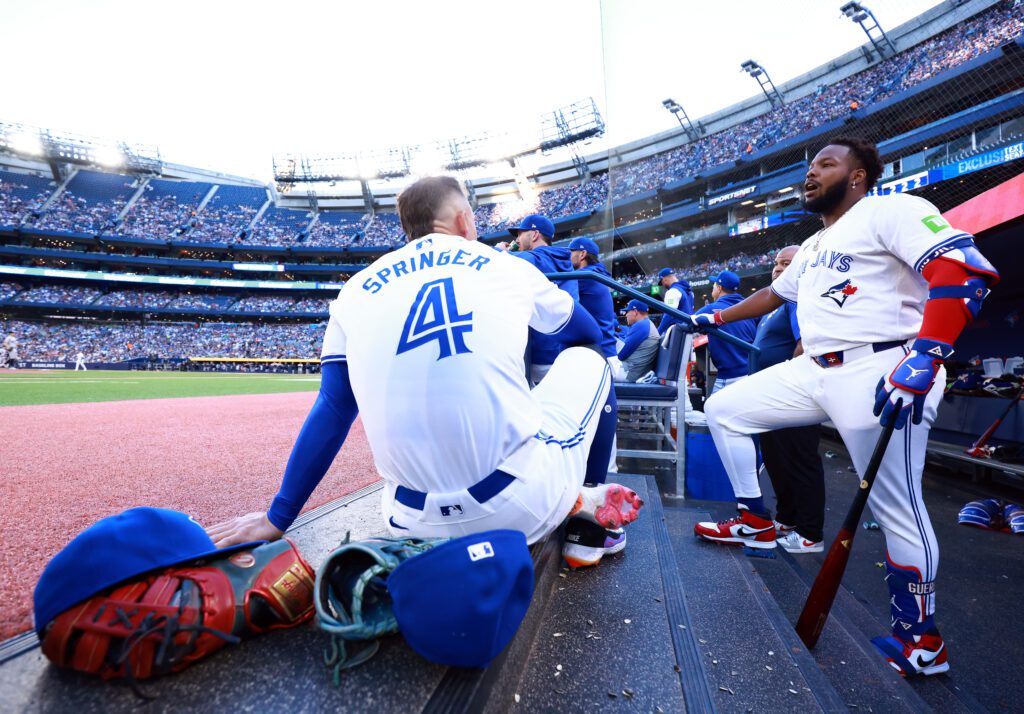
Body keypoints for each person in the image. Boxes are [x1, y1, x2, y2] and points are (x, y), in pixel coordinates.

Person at [207, 177, 642, 561]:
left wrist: (277, 516)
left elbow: (334, 408)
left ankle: (569, 497)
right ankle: (589, 532)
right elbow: (585, 334)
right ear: (466, 221)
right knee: (593, 360)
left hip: (407, 522)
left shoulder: (354, 289)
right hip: (517, 506)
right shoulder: (506, 265)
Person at [691, 137, 999, 677]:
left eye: (825, 164)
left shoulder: (891, 209)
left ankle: (922, 641)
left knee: (896, 507)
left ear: (857, 177)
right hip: (815, 369)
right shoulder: (813, 243)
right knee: (725, 408)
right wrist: (714, 319)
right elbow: (774, 297)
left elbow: (963, 270)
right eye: (809, 166)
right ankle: (756, 520)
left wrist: (927, 354)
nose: (811, 173)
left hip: (882, 366)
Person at [748, 246, 826, 554]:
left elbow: (803, 343)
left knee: (800, 458)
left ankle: (810, 532)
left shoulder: (798, 297)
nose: (778, 269)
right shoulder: (776, 304)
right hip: (773, 394)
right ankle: (787, 517)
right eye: (776, 263)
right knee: (778, 458)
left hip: (793, 393)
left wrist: (790, 381)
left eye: (787, 263)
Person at [498, 214, 578, 385]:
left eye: (520, 234)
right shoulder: (559, 259)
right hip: (563, 350)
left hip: (544, 356)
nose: (517, 239)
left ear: (534, 235)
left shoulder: (540, 258)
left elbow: (499, 261)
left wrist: (499, 251)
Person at [567, 237, 622, 380]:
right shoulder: (595, 273)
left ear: (582, 254)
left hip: (598, 356)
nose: (568, 256)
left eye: (571, 252)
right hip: (605, 353)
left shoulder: (585, 276)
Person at [695, 270, 758, 393]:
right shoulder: (750, 306)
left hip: (730, 376)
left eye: (714, 285)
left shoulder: (710, 309)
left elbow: (686, 323)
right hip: (753, 373)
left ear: (719, 288)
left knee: (711, 410)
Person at [617, 299, 660, 382]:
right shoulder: (646, 323)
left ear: (635, 312)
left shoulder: (641, 325)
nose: (626, 315)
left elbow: (621, 356)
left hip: (629, 374)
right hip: (635, 372)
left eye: (627, 312)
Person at [656, 268, 694, 335]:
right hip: (688, 331)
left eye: (662, 282)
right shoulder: (687, 290)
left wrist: (658, 332)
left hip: (677, 333)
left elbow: (669, 314)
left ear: (665, 279)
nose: (663, 285)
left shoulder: (672, 291)